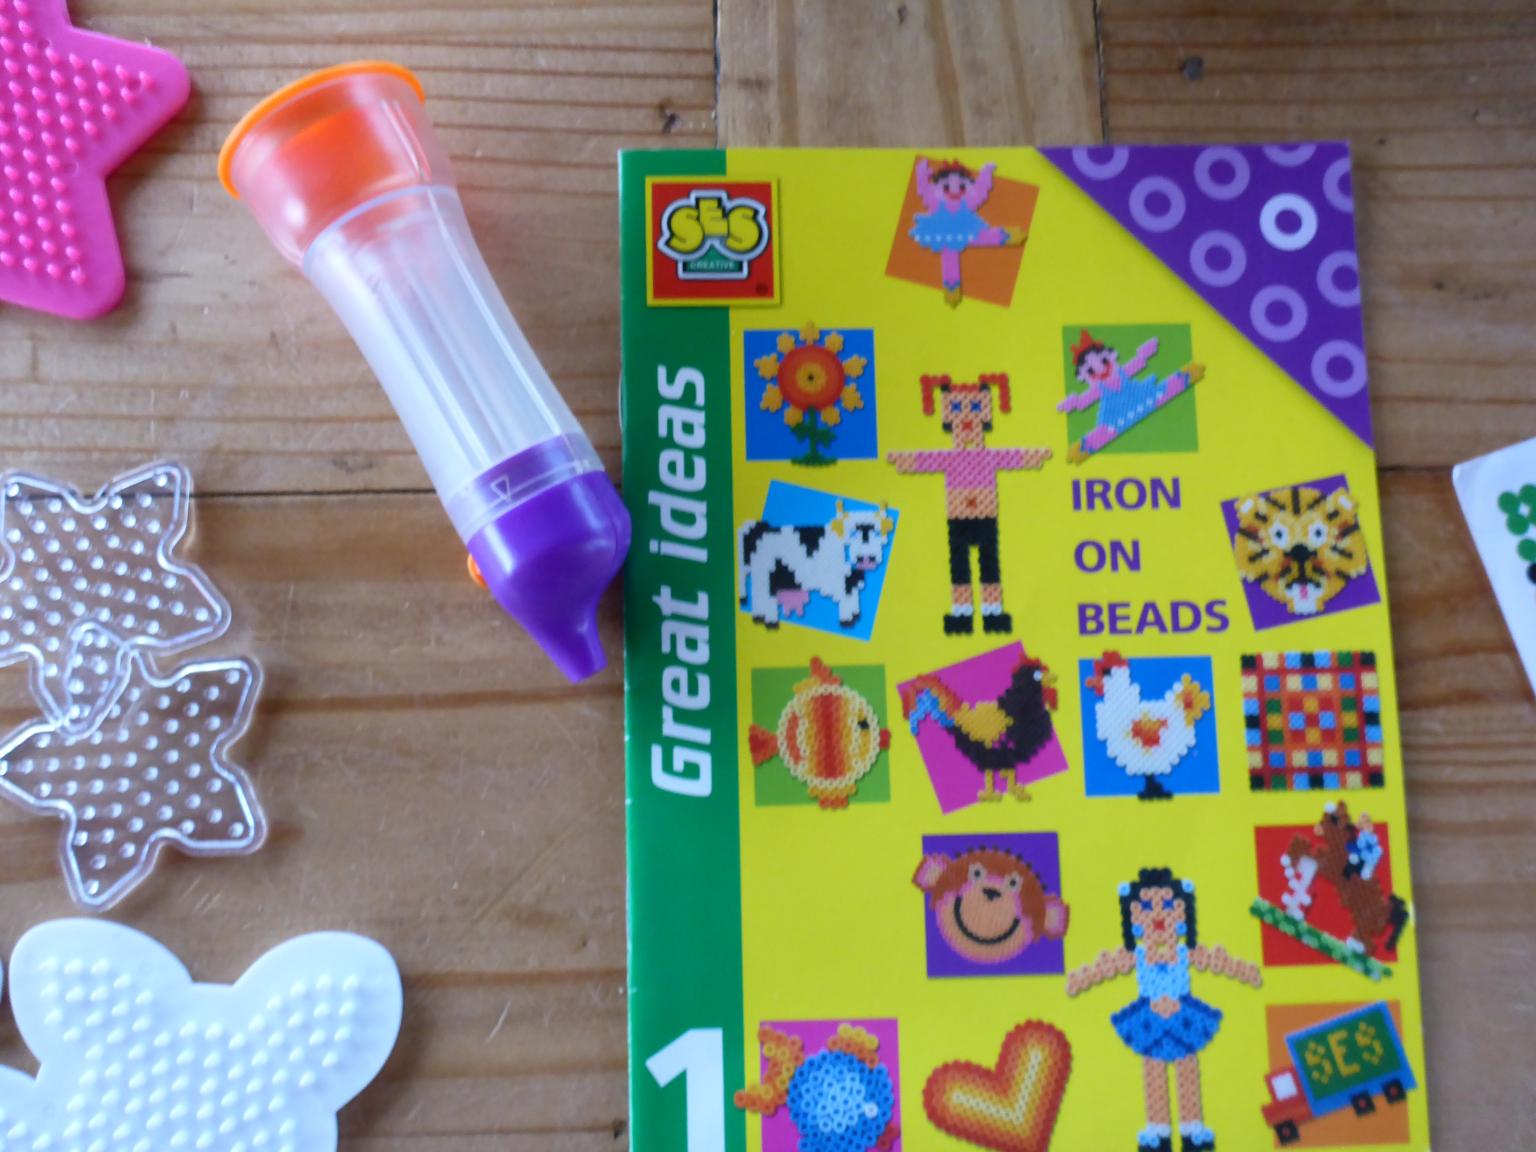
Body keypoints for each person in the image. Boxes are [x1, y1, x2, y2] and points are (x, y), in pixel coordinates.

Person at [1065, 868, 1262, 1152]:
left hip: (1183, 1016)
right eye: (1146, 907)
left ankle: (1192, 1129)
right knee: (1153, 1070)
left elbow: (1216, 960)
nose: (1158, 915)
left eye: (1168, 905)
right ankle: (1158, 1132)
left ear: (1181, 916)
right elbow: (1106, 966)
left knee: (1187, 1068)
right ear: (1135, 919)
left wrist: (1245, 971)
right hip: (1150, 1019)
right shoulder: (1138, 956)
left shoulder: (1183, 953)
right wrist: (1079, 979)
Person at [887, 374, 1048, 634]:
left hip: (985, 518)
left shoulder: (987, 457)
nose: (966, 418)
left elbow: (1012, 456)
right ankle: (962, 614)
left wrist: (1034, 456)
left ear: (983, 414)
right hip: (959, 520)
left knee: (989, 566)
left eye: (974, 407)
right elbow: (925, 460)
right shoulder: (950, 459)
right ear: (948, 416)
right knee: (960, 568)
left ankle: (992, 613)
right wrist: (904, 460)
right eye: (956, 408)